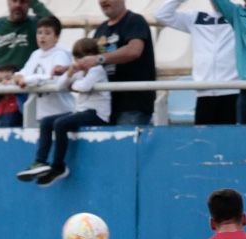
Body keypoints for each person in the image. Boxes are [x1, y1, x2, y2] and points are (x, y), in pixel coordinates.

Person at [19, 38, 111, 186]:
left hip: (97, 113)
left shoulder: (97, 70)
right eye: (77, 57)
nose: (79, 61)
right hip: (81, 111)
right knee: (47, 122)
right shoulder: (78, 71)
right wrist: (69, 73)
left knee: (60, 124)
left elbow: (84, 87)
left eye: (83, 57)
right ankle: (40, 161)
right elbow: (60, 86)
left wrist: (72, 84)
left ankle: (58, 166)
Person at [10, 16, 76, 184]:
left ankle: (49, 164)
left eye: (47, 33)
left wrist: (29, 80)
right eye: (39, 33)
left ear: (57, 36)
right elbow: (23, 73)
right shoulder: (35, 54)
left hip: (63, 109)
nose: (42, 37)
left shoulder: (61, 54)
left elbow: (53, 77)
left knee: (50, 124)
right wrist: (18, 77)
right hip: (45, 110)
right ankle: (43, 165)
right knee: (46, 125)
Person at [0, 0, 55, 128]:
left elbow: (53, 24)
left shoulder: (35, 25)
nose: (18, 5)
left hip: (26, 97)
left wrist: (34, 2)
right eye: (14, 1)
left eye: (23, 1)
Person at [72, 0, 156, 126]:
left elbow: (134, 50)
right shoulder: (101, 29)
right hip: (104, 108)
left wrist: (99, 59)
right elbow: (87, 63)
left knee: (125, 145)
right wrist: (68, 70)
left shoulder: (135, 21)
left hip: (132, 105)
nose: (103, 1)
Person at [155, 0, 239, 125]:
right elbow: (162, 14)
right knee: (203, 141)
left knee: (230, 140)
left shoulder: (239, 16)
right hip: (203, 93)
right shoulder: (195, 17)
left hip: (232, 91)